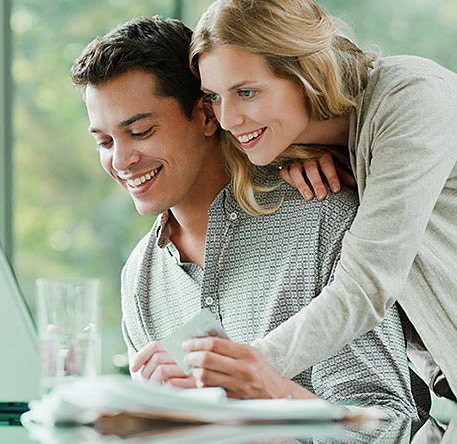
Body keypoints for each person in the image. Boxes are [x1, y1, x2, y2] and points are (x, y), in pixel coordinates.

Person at [70, 16, 418, 416]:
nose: (121, 160)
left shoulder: (320, 216)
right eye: (104, 141)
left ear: (206, 115)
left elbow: (388, 424)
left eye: (141, 132)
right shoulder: (140, 277)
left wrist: (271, 395)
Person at [187, 0, 457, 406]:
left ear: (306, 72)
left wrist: (255, 364)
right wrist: (301, 152)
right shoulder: (316, 148)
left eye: (246, 92)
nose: (227, 120)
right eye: (215, 97)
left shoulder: (413, 98)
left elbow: (366, 286)